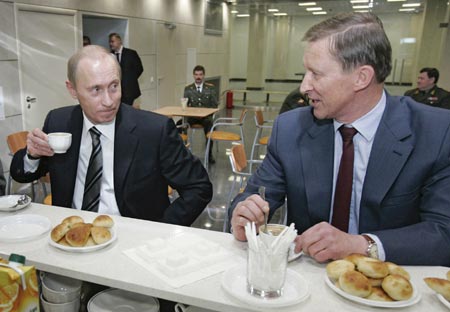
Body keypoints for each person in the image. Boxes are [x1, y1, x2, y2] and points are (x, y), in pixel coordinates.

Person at [229, 12, 450, 266]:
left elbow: (444, 233)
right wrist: (243, 215)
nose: (303, 87)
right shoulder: (291, 129)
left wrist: (361, 245)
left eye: (316, 74)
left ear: (361, 77)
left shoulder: (436, 132)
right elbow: (256, 196)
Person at [10, 45, 212, 226]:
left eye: (114, 86)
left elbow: (199, 187)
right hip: (72, 233)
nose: (109, 101)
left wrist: (160, 230)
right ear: (72, 89)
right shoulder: (59, 121)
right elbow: (21, 173)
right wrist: (32, 155)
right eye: (96, 90)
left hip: (131, 240)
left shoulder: (154, 130)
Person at [183, 65, 218, 164]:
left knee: (210, 127)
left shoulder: (210, 89)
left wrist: (207, 113)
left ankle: (209, 154)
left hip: (205, 118)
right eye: (196, 74)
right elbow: (185, 104)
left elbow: (214, 105)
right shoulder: (188, 89)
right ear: (193, 76)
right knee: (180, 124)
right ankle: (183, 152)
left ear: (203, 76)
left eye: (200, 74)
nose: (198, 77)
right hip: (193, 117)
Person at [109, 33, 144, 106]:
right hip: (116, 91)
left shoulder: (131, 53)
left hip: (130, 91)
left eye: (112, 41)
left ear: (119, 41)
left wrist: (129, 79)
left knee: (130, 112)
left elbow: (139, 69)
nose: (110, 44)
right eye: (109, 42)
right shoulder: (109, 56)